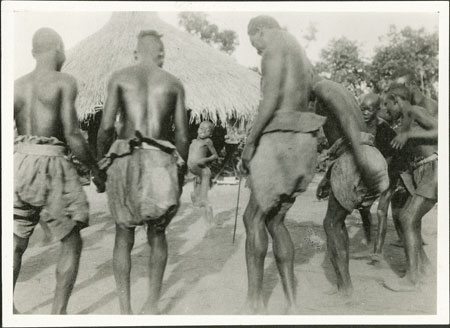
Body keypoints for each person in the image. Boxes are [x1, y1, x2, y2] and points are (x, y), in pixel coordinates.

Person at [96, 30, 189, 314]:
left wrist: (100, 164)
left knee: (123, 234)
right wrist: (181, 172)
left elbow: (107, 128)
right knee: (158, 234)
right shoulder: (174, 83)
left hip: (125, 157)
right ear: (162, 54)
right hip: (160, 160)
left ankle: (125, 309)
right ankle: (152, 304)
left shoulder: (120, 77)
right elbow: (183, 136)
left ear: (136, 53)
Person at [13, 28, 105, 314]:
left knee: (16, 240)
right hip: (51, 163)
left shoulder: (16, 84)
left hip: (19, 162)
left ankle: (9, 309)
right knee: (71, 240)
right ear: (58, 47)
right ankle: (58, 314)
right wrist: (95, 169)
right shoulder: (64, 81)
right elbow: (73, 134)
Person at [239, 15, 326, 314]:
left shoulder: (274, 45)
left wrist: (250, 143)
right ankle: (292, 302)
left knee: (252, 219)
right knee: (275, 220)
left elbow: (271, 97)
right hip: (304, 142)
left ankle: (254, 303)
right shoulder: (302, 54)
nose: (257, 51)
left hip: (280, 139)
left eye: (255, 43)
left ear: (260, 31)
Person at [314, 80, 390, 297]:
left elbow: (349, 131)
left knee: (332, 223)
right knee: (336, 222)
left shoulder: (322, 89)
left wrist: (361, 164)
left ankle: (345, 288)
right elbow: (344, 136)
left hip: (358, 157)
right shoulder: (340, 92)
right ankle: (343, 285)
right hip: (364, 156)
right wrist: (329, 178)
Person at [382, 85, 438, 291]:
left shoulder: (415, 111)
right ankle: (424, 268)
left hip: (433, 168)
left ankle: (412, 279)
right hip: (421, 170)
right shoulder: (404, 119)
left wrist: (407, 136)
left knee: (408, 218)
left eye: (388, 106)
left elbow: (441, 129)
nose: (387, 111)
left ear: (396, 100)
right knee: (408, 218)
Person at [187, 121, 218, 226]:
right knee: (196, 198)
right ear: (197, 129)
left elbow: (215, 156)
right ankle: (205, 217)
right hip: (196, 174)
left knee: (204, 199)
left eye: (207, 130)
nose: (203, 131)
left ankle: (211, 223)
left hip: (204, 173)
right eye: (201, 128)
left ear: (211, 134)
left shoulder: (208, 141)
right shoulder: (193, 141)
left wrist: (204, 160)